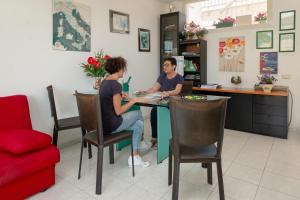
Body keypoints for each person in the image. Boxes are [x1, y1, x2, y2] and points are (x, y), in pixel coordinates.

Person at [99, 57, 150, 167]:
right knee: (138, 113)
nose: (124, 70)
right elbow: (119, 111)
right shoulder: (116, 85)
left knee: (138, 124)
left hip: (103, 124)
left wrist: (120, 97)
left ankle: (135, 156)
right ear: (119, 69)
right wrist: (134, 100)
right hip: (112, 125)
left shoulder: (104, 82)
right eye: (123, 68)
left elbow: (109, 100)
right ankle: (141, 140)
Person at [143, 57, 184, 148]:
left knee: (160, 113)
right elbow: (155, 88)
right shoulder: (162, 75)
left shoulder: (179, 77)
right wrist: (144, 92)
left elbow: (177, 91)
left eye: (167, 65)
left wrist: (167, 93)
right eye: (164, 65)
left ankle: (164, 138)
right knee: (154, 111)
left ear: (174, 66)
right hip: (162, 101)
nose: (164, 67)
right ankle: (155, 138)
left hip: (173, 102)